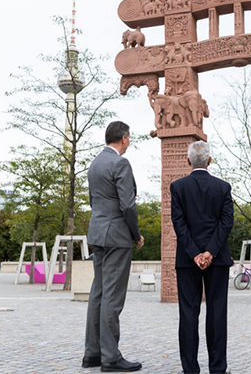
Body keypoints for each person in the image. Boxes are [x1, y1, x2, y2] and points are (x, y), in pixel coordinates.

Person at [83, 121, 145, 372]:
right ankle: (110, 357)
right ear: (125, 138)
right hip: (117, 237)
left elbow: (93, 200)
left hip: (97, 234)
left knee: (98, 293)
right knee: (112, 296)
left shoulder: (95, 163)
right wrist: (136, 234)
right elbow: (127, 205)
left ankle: (92, 354)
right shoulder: (120, 163)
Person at [170, 140, 234, 374]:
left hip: (187, 260)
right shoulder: (223, 187)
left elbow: (178, 223)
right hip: (217, 260)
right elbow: (226, 223)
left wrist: (195, 253)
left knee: (188, 313)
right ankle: (218, 369)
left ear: (188, 161)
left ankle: (190, 369)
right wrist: (210, 251)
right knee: (217, 312)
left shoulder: (178, 187)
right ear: (210, 160)